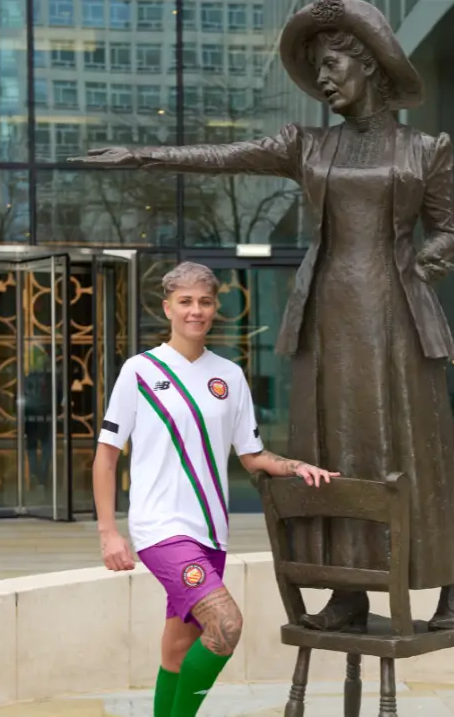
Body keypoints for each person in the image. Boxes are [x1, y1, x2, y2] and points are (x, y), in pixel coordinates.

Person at [73, 0, 454, 633]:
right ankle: (348, 592)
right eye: (316, 67)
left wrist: (430, 260)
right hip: (329, 317)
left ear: (369, 65)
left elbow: (447, 232)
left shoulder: (426, 149)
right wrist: (142, 156)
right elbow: (226, 155)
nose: (322, 78)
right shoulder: (307, 145)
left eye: (333, 63)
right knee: (335, 449)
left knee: (413, 448)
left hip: (398, 317)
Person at [94, 262, 339, 717]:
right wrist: (109, 531)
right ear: (167, 307)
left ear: (215, 308)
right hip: (161, 529)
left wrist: (296, 466)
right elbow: (106, 456)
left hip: (210, 533)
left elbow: (251, 455)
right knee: (225, 624)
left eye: (204, 301)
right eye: (185, 301)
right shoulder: (139, 371)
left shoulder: (229, 376)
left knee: (178, 648)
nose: (196, 310)